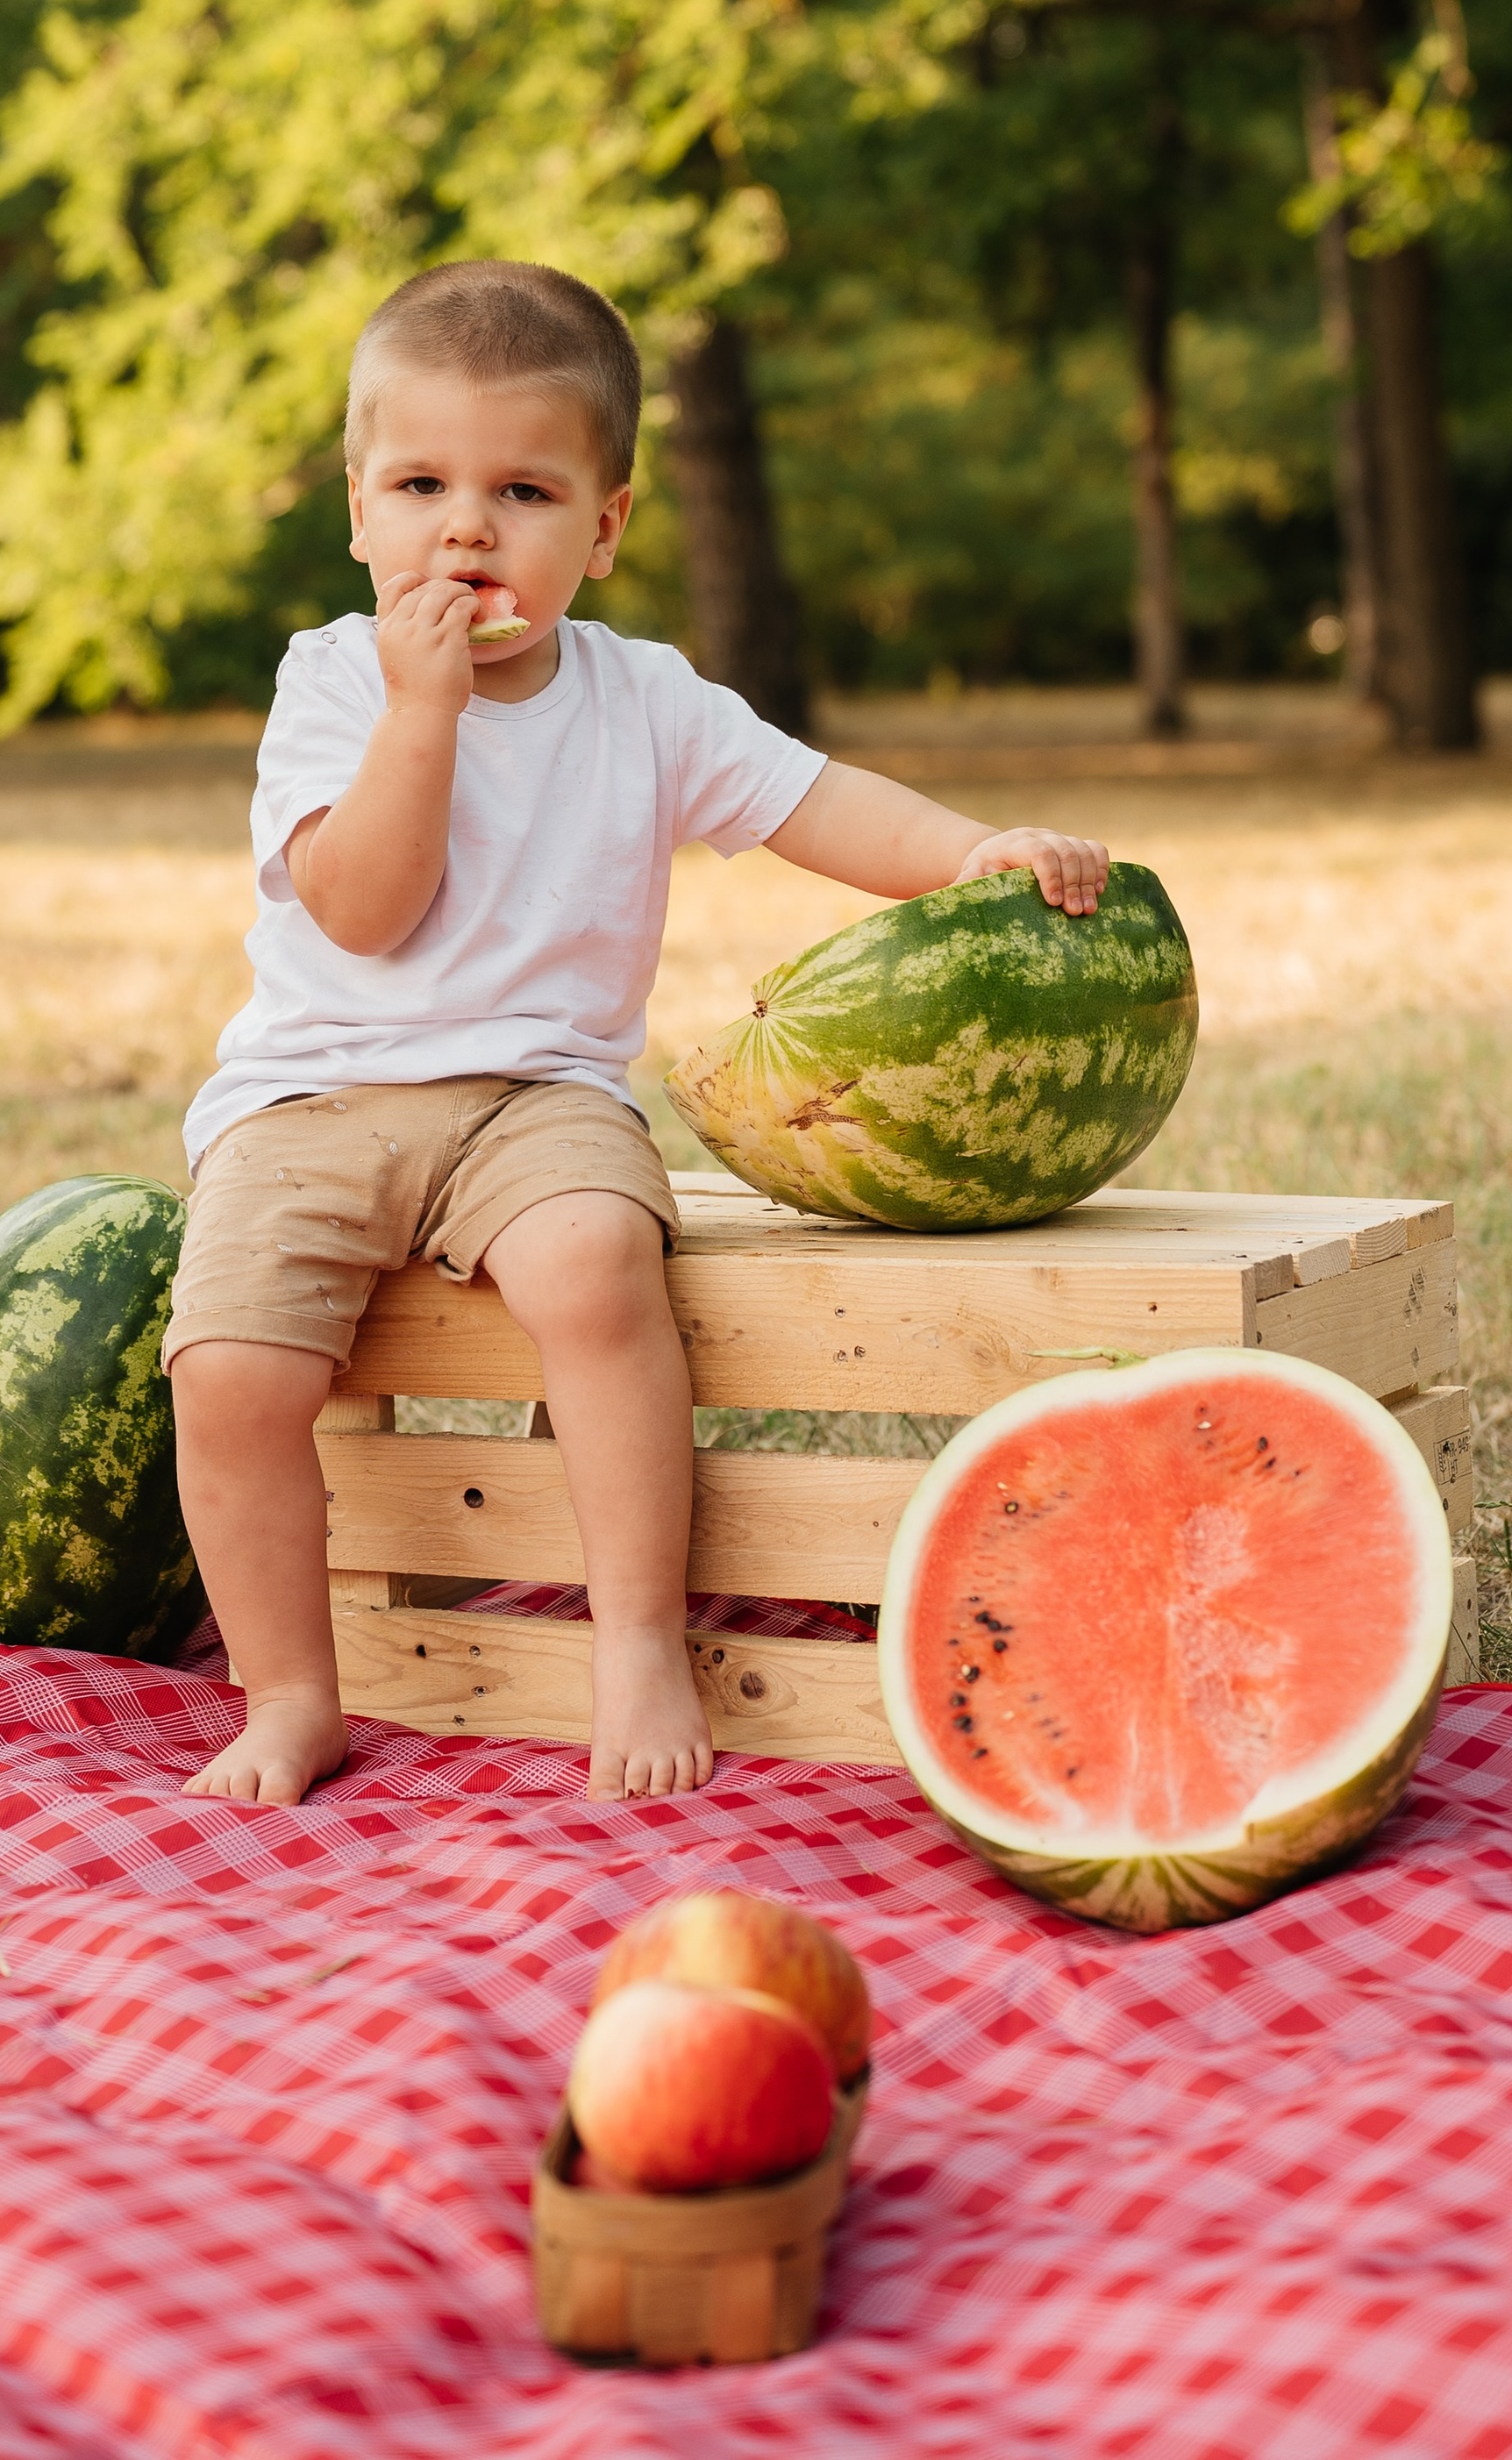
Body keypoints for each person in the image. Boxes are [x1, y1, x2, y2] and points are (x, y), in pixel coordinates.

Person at [166, 260, 1109, 1807]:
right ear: (357, 510)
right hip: (314, 1094)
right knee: (227, 1374)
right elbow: (361, 909)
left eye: (522, 490)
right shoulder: (334, 683)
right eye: (420, 483)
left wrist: (969, 851)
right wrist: (423, 714)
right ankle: (288, 1694)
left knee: (599, 1262)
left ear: (602, 528)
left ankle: (638, 1639)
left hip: (533, 1096)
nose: (464, 529)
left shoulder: (646, 699)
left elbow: (818, 803)